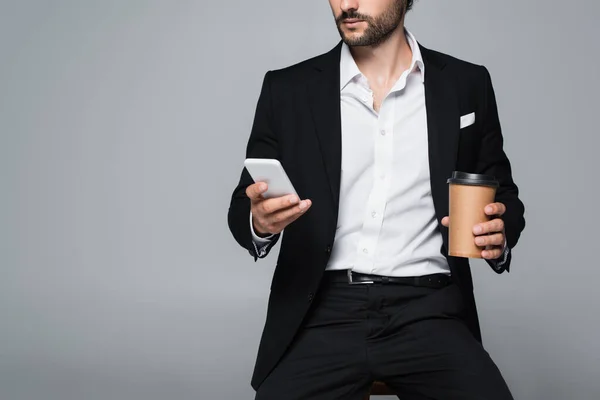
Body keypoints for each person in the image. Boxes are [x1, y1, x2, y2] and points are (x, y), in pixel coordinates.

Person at [227, 0, 525, 398]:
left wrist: (499, 233)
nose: (347, 4)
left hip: (430, 309)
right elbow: (242, 206)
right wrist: (258, 223)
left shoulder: (466, 84)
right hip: (321, 311)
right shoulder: (288, 89)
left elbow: (502, 191)